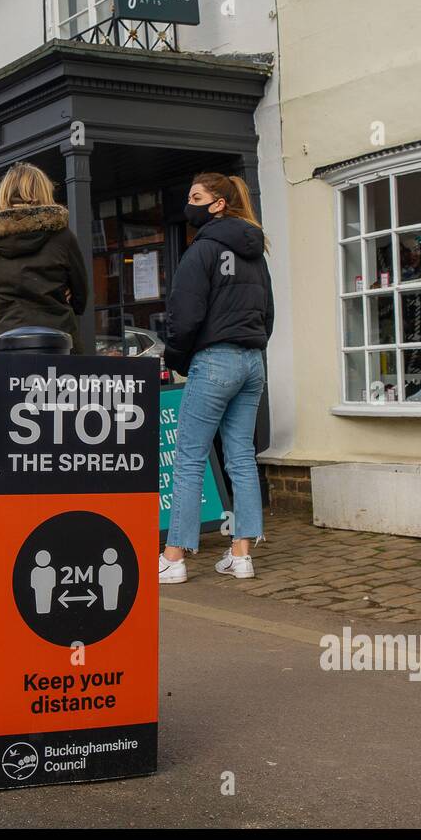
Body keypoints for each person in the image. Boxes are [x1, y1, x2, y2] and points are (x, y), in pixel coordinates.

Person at [159, 173, 274, 584]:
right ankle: (241, 555)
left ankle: (173, 557)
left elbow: (184, 316)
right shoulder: (255, 253)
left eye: (196, 197)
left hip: (214, 360)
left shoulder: (201, 251)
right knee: (241, 457)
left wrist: (177, 357)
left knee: (189, 458)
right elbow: (268, 314)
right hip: (252, 361)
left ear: (218, 204)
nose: (188, 204)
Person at [0, 162, 89, 353]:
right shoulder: (62, 236)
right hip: (58, 343)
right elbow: (81, 299)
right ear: (43, 192)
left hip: (4, 345)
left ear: (4, 193)